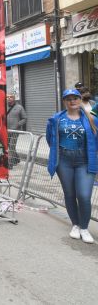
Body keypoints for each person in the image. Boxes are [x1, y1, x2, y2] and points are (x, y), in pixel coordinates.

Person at [46, 89, 97, 244]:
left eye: (75, 98)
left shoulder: (92, 119)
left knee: (84, 195)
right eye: (68, 99)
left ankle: (84, 228)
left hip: (85, 161)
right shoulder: (56, 119)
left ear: (80, 99)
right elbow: (50, 139)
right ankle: (75, 225)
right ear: (64, 102)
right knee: (69, 194)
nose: (72, 101)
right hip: (64, 162)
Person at [6, 94, 28, 168]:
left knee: (12, 146)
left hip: (15, 131)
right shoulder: (4, 106)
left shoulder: (19, 107)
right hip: (6, 130)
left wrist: (18, 124)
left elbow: (25, 118)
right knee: (9, 146)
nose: (9, 98)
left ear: (14, 98)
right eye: (7, 97)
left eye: (11, 97)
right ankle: (17, 159)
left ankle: (10, 163)